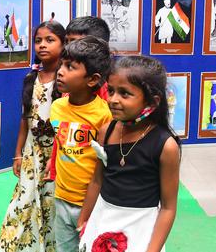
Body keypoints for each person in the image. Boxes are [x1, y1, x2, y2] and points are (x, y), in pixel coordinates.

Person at [77, 56, 181, 252]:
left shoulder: (166, 146)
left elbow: (168, 207)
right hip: (102, 219)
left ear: (153, 100)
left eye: (125, 94)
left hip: (139, 228)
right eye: (111, 91)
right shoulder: (106, 131)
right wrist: (85, 217)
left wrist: (153, 249)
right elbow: (97, 181)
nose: (113, 100)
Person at [0, 21, 66, 252]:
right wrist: (17, 153)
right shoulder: (31, 78)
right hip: (31, 152)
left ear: (63, 43)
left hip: (55, 153)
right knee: (25, 197)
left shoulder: (65, 79)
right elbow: (25, 117)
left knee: (50, 201)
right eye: (38, 41)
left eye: (50, 40)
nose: (43, 45)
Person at [47, 36, 112, 251]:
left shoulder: (105, 114)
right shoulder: (57, 107)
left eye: (70, 67)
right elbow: (61, 143)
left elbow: (106, 164)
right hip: (62, 196)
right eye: (62, 65)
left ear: (92, 80)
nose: (61, 71)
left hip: (93, 201)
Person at [46, 17, 112, 183]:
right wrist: (54, 163)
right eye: (66, 42)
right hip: (66, 179)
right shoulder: (68, 90)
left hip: (92, 182)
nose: (69, 48)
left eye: (75, 42)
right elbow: (63, 132)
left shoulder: (107, 96)